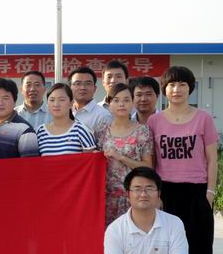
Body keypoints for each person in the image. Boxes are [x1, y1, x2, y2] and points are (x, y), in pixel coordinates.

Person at [148, 66, 218, 254]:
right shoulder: (155, 121)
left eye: (182, 85)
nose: (176, 90)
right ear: (164, 90)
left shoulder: (203, 118)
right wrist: (156, 195)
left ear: (190, 88)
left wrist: (209, 193)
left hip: (197, 193)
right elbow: (152, 161)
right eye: (171, 85)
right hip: (167, 194)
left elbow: (212, 158)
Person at [95, 84, 153, 226]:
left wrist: (121, 157)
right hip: (107, 199)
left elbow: (148, 167)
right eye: (116, 100)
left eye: (126, 100)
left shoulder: (142, 131)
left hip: (135, 197)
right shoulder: (101, 131)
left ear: (132, 102)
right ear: (109, 104)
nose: (121, 104)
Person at [0, 78, 39, 158]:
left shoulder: (25, 130)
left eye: (6, 98)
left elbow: (30, 164)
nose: (0, 103)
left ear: (14, 101)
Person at [37, 83, 96, 156]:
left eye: (61, 100)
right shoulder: (40, 132)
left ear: (71, 103)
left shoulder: (81, 130)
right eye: (52, 100)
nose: (56, 104)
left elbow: (90, 160)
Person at [68, 67, 112, 134]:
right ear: (70, 88)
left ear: (95, 88)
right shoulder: (65, 112)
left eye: (88, 83)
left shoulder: (103, 116)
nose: (82, 88)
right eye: (78, 83)